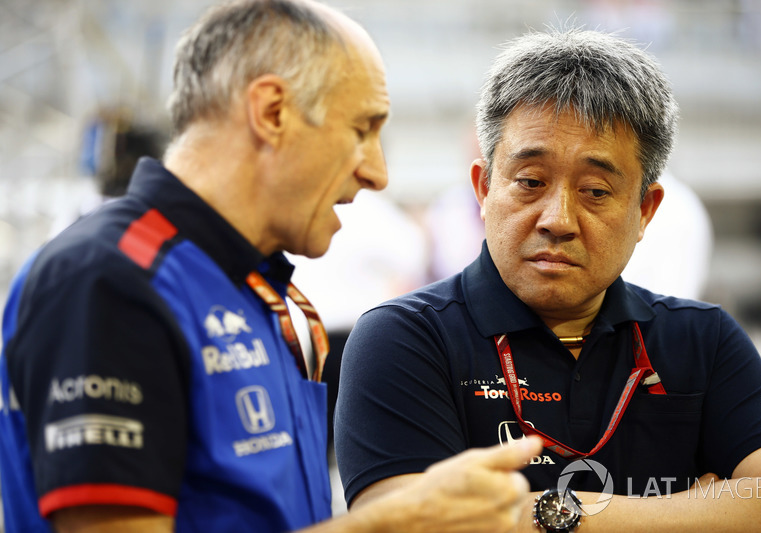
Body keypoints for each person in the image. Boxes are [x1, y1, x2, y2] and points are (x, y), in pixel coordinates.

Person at [0, 1, 543, 532]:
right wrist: (388, 524)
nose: (377, 173)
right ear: (272, 112)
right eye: (362, 128)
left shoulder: (266, 293)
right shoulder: (111, 279)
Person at [334, 27, 761, 531]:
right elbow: (414, 523)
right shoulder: (405, 338)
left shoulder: (704, 340)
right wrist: (703, 507)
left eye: (596, 191)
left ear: (645, 210)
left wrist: (545, 512)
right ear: (484, 189)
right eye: (530, 182)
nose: (557, 218)